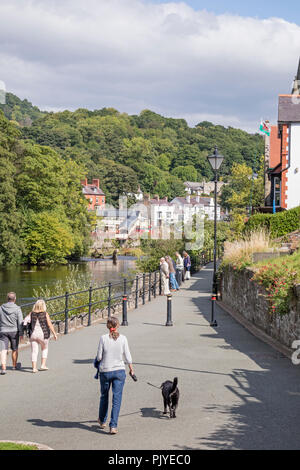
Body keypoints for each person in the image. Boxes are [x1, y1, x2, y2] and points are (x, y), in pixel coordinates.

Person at [96, 316, 134, 435]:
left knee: (104, 396)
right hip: (119, 371)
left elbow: (99, 357)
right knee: (117, 399)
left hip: (105, 371)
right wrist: (131, 369)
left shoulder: (103, 338)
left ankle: (102, 420)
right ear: (117, 326)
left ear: (108, 326)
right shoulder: (123, 338)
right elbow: (127, 356)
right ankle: (113, 426)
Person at [23, 299, 57, 373]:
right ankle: (43, 365)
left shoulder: (31, 313)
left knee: (34, 351)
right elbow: (49, 324)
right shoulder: (45, 314)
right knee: (44, 349)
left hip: (33, 334)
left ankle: (34, 368)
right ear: (43, 306)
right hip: (43, 334)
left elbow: (25, 321)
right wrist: (54, 333)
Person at [0, 292, 24, 375]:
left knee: (3, 350)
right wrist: (21, 333)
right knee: (14, 349)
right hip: (14, 331)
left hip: (3, 331)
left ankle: (3, 368)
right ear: (15, 299)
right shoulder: (17, 308)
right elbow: (20, 322)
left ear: (7, 298)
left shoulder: (1, 308)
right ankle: (14, 366)